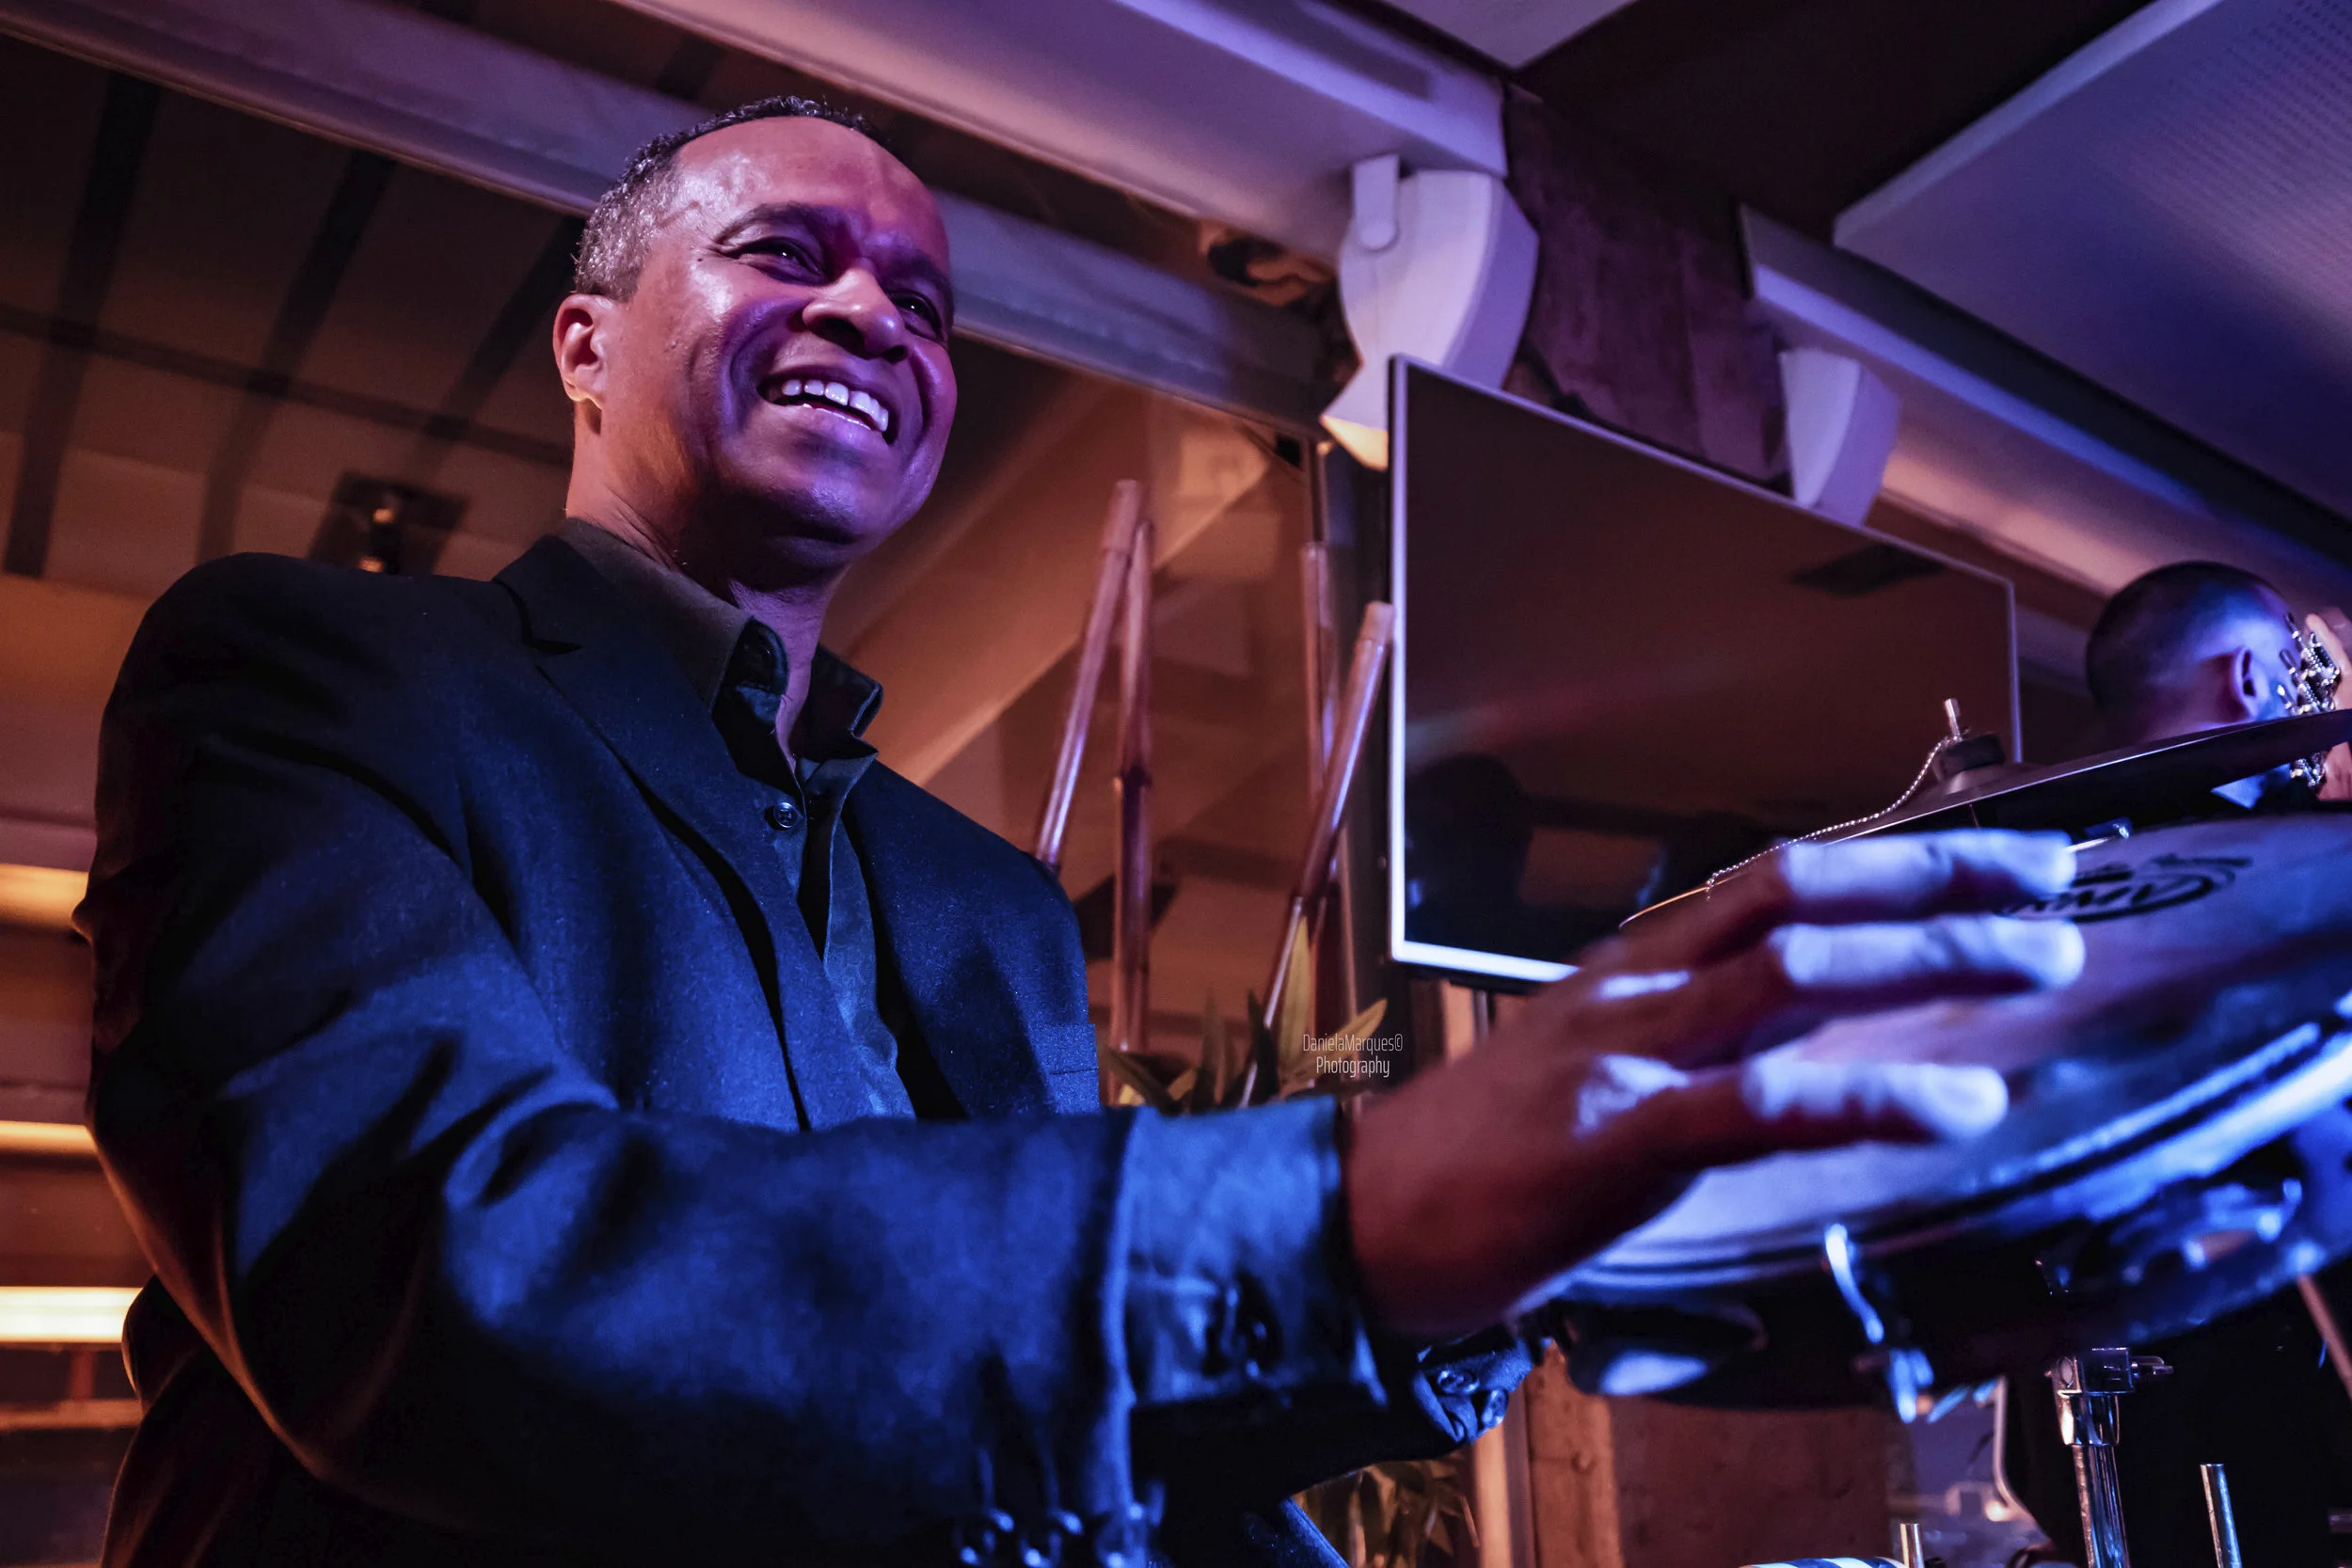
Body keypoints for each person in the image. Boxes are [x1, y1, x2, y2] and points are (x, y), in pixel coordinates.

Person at [79, 96, 2085, 1568]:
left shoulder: (984, 903)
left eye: (924, 300)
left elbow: (1090, 1428)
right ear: (583, 346)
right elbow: (430, 1274)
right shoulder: (306, 676)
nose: (871, 313)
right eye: (785, 254)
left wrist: (1522, 1260)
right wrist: (1358, 1199)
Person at [2002, 560, 2352, 1567]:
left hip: (2100, 1425)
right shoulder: (2281, 867)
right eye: (2296, 662)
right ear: (2250, 679)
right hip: (2245, 1408)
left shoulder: (2053, 872)